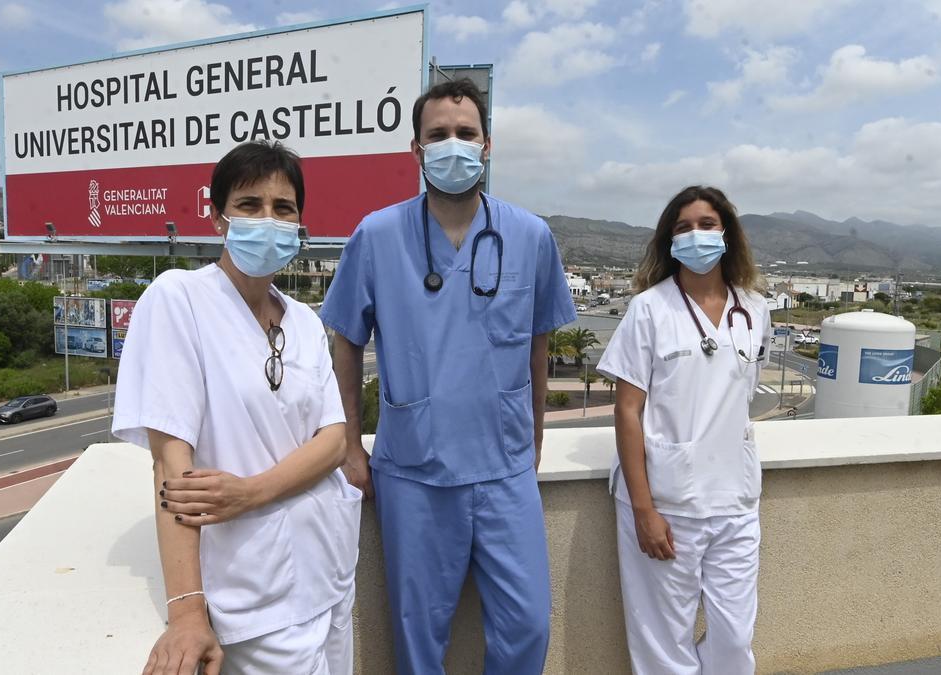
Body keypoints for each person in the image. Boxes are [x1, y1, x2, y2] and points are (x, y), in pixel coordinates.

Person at [320, 78, 577, 674]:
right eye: (439, 135)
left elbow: (539, 345)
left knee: (529, 624)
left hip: (505, 467)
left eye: (466, 134)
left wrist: (534, 436)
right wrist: (349, 444)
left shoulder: (531, 236)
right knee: (417, 636)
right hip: (412, 469)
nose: (453, 145)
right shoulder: (377, 235)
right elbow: (346, 340)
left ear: (487, 146)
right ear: (416, 149)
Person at [112, 141, 361, 675]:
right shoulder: (178, 300)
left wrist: (251, 491)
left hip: (330, 571)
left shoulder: (304, 321)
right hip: (254, 591)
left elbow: (335, 440)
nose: (267, 219)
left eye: (283, 207)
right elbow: (170, 465)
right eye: (249, 205)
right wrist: (186, 613)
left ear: (299, 223)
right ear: (218, 216)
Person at [597, 185, 770, 675]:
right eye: (683, 227)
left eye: (707, 224)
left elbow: (740, 398)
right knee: (662, 646)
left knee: (734, 639)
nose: (696, 235)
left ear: (727, 234)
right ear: (668, 241)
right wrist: (644, 510)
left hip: (735, 501)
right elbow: (627, 411)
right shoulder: (649, 309)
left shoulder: (754, 309)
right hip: (666, 502)